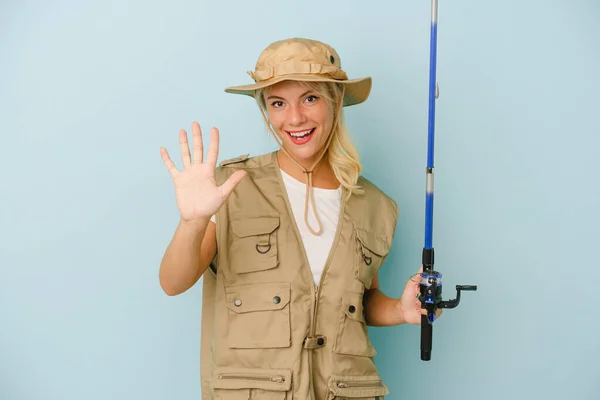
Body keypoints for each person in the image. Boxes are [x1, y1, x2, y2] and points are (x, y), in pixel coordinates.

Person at [158, 37, 440, 400]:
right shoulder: (231, 187)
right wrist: (193, 222)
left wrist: (401, 310)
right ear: (266, 110)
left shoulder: (377, 206)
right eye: (278, 103)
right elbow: (172, 282)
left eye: (310, 98)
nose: (294, 118)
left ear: (335, 102)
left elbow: (359, 303)